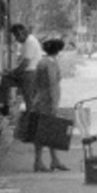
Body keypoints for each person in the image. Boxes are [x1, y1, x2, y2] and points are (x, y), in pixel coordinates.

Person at [31, 37, 69, 172]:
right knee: (44, 132)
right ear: (58, 51)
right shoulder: (51, 64)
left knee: (47, 131)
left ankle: (53, 160)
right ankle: (39, 161)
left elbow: (35, 83)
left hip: (40, 99)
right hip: (48, 101)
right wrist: (54, 104)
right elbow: (52, 84)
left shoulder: (42, 62)